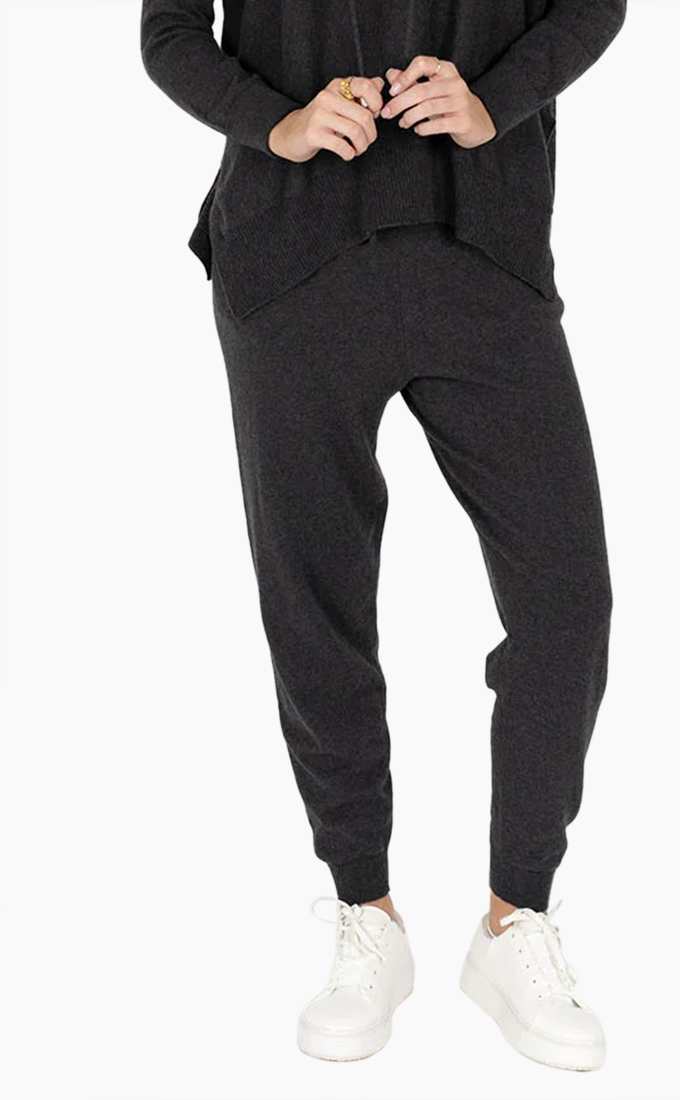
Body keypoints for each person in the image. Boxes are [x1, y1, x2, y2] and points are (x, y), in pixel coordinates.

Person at [141, 0, 626, 1071]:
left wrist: (494, 99)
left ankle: (514, 916)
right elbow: (167, 29)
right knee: (315, 602)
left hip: (480, 243)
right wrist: (274, 122)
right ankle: (366, 908)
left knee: (567, 598)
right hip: (293, 253)